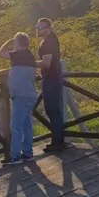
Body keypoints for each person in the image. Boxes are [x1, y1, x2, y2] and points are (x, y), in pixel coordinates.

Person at [0, 33, 38, 166]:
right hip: (30, 94)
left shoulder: (18, 55)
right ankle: (28, 153)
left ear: (17, 43)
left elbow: (0, 53)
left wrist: (7, 42)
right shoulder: (30, 56)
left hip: (21, 96)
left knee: (15, 126)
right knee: (26, 124)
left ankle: (15, 156)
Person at [36, 18, 69, 152]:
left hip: (50, 79)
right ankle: (59, 140)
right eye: (37, 26)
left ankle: (57, 142)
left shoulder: (48, 42)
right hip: (54, 78)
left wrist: (29, 63)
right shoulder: (52, 39)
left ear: (47, 28)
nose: (37, 29)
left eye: (39, 27)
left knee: (52, 110)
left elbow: (46, 63)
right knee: (55, 110)